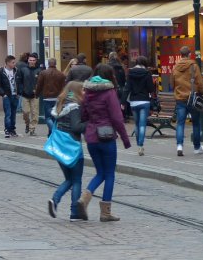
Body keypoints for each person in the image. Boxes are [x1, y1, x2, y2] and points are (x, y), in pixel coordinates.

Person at [76, 64, 131, 222]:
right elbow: (116, 118)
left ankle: (84, 198)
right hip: (106, 137)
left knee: (100, 172)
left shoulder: (87, 92)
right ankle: (105, 212)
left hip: (92, 137)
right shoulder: (109, 92)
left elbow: (83, 115)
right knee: (109, 174)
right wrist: (125, 139)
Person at [48, 81, 87, 221]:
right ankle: (74, 213)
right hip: (73, 146)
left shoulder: (60, 104)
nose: (84, 92)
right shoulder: (74, 107)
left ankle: (55, 200)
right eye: (82, 89)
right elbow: (77, 127)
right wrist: (89, 123)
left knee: (69, 179)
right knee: (76, 180)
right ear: (76, 91)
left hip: (59, 146)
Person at [171, 46, 203, 156]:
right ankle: (196, 147)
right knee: (196, 123)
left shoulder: (175, 66)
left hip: (180, 98)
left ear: (180, 54)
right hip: (192, 97)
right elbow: (200, 82)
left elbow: (173, 82)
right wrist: (201, 91)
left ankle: (179, 146)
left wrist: (177, 91)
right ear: (189, 54)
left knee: (180, 123)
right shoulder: (193, 66)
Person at [125, 56, 156, 156]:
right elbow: (151, 88)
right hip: (144, 101)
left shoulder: (130, 73)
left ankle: (138, 143)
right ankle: (140, 145)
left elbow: (127, 88)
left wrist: (122, 102)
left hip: (134, 102)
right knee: (142, 125)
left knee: (137, 124)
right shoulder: (147, 73)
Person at [35, 58, 67, 134]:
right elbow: (64, 86)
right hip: (57, 98)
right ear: (55, 64)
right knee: (55, 117)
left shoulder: (43, 73)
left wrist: (37, 94)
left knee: (48, 118)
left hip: (47, 98)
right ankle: (51, 133)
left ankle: (54, 131)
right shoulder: (61, 74)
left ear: (48, 64)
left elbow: (39, 85)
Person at [0, 55, 20, 137]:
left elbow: (20, 83)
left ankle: (12, 129)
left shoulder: (16, 70)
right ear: (7, 63)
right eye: (13, 62)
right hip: (7, 95)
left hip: (15, 95)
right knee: (8, 113)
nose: (14, 64)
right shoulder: (1, 71)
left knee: (13, 113)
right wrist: (3, 94)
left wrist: (19, 93)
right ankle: (7, 129)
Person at [18, 53, 42, 135]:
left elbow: (41, 82)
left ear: (36, 61)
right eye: (30, 60)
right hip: (25, 94)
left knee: (35, 113)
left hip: (35, 95)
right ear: (28, 60)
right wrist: (21, 90)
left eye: (33, 60)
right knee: (25, 112)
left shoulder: (39, 70)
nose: (32, 62)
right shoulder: (23, 70)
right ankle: (27, 124)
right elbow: (19, 81)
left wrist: (38, 90)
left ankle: (32, 129)